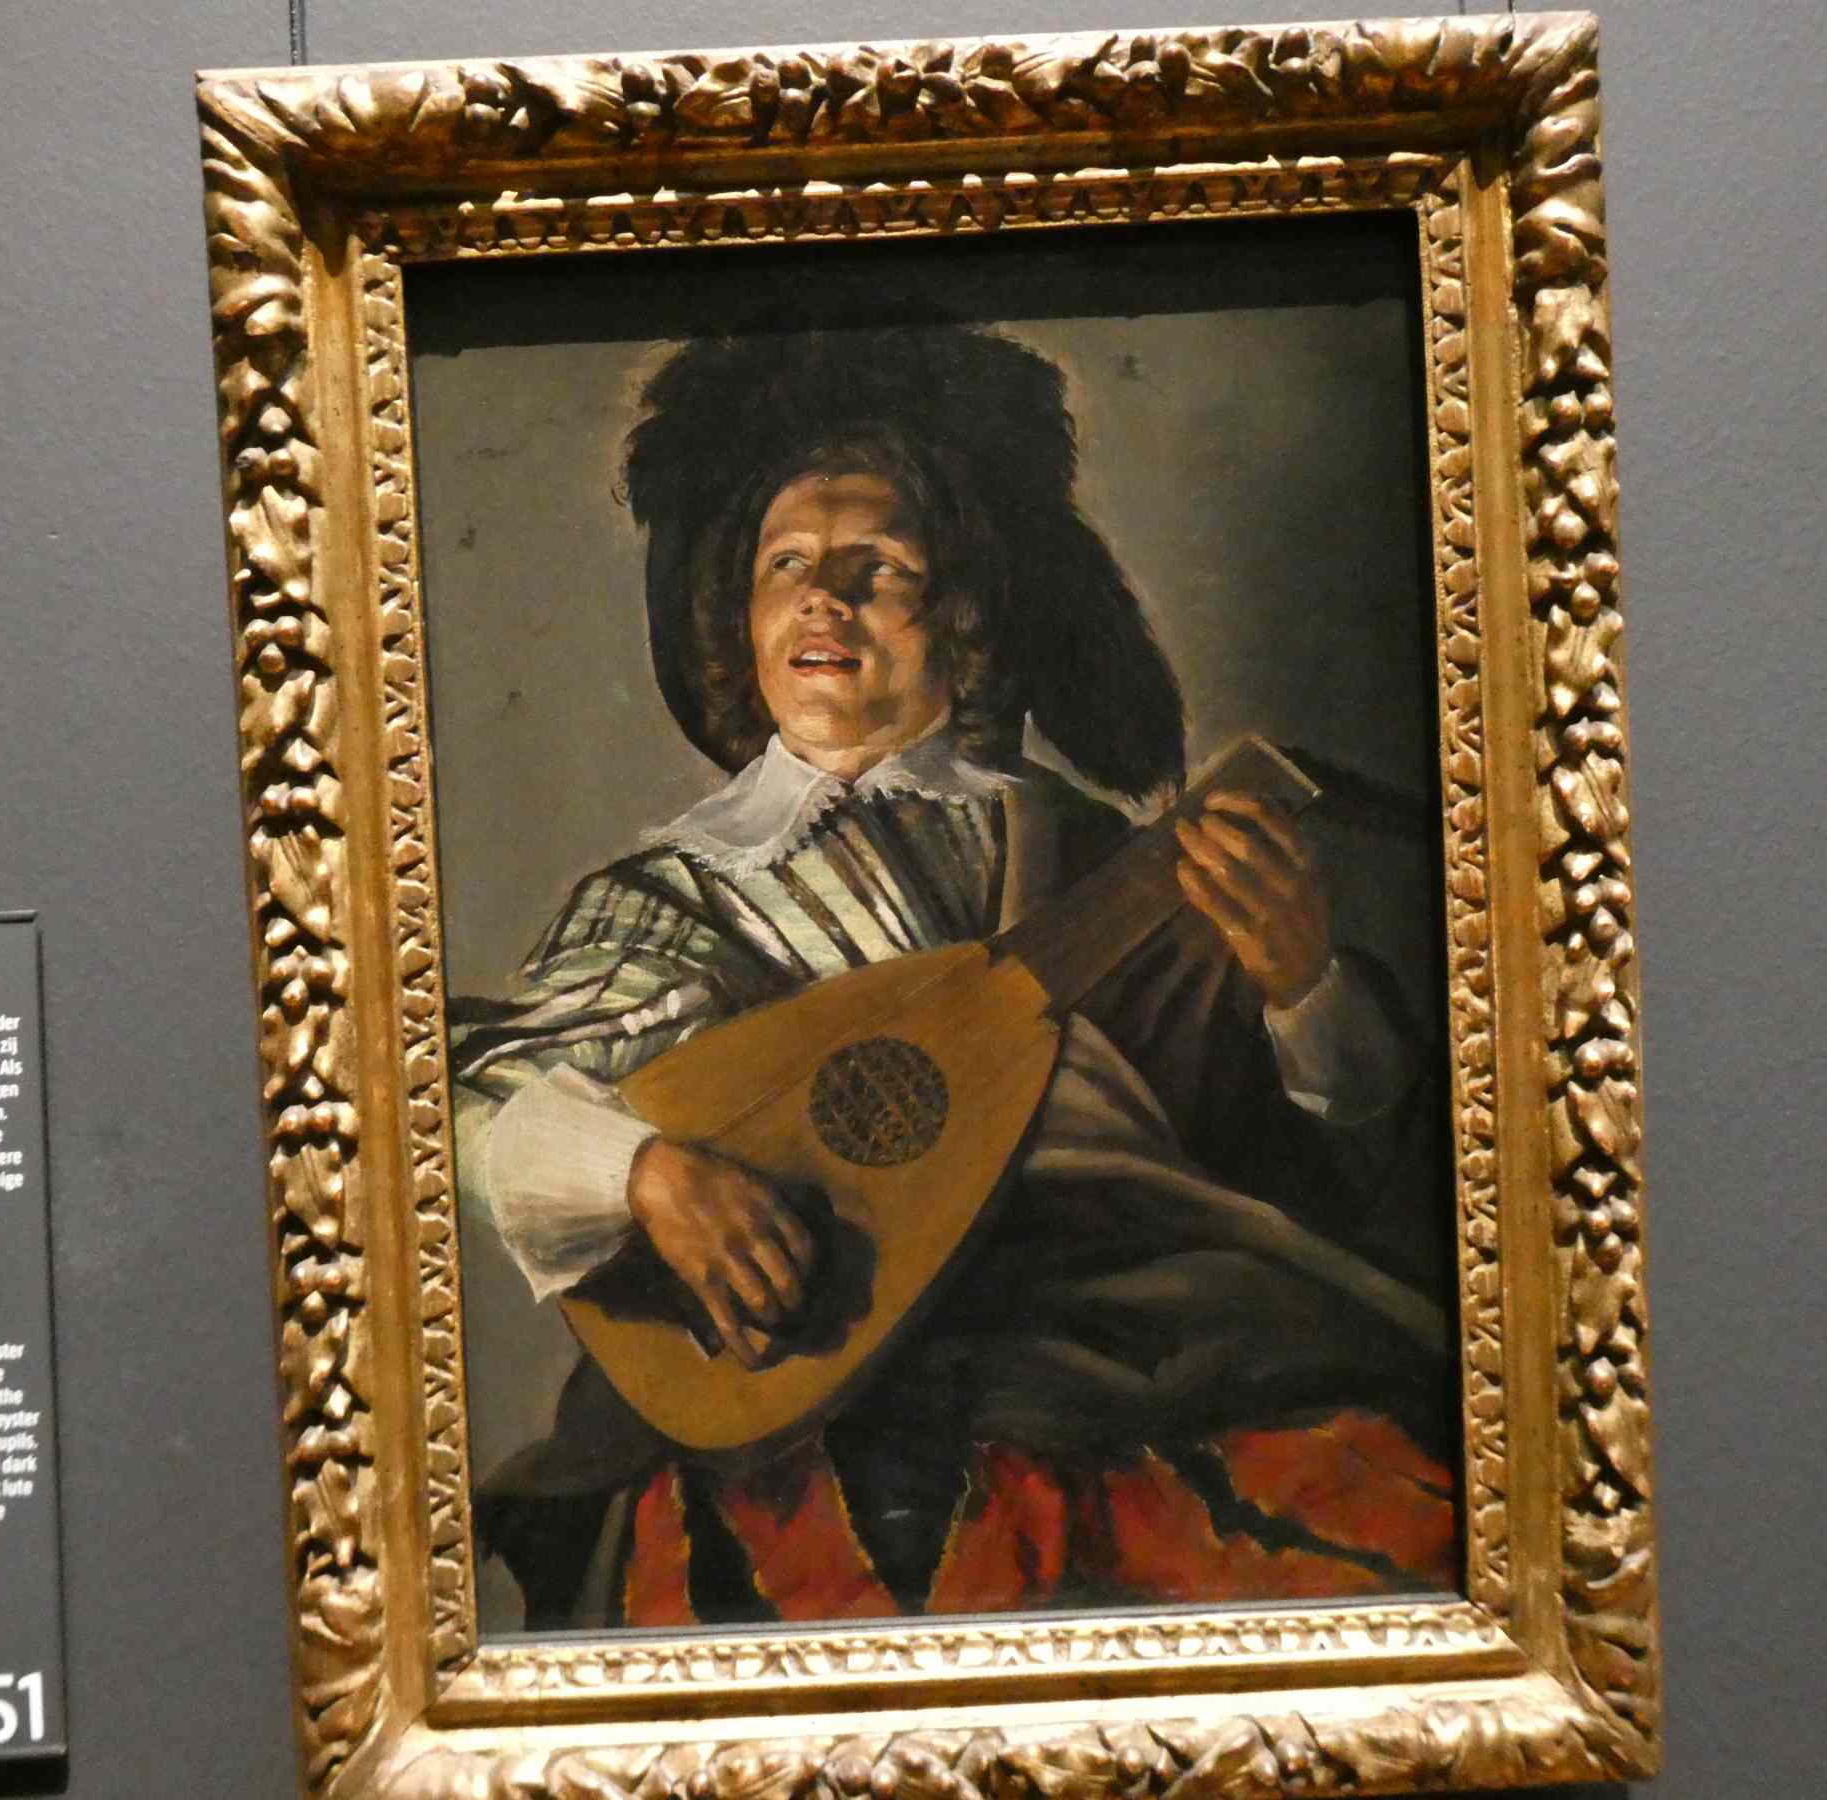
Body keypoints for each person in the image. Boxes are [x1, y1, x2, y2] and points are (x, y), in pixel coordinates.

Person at [449, 327, 1456, 1630]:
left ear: (967, 621)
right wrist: (644, 1174)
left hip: (1149, 1369)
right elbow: (471, 1103)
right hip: (807, 1397)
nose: (824, 600)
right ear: (736, 621)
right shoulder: (681, 891)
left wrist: (1304, 987)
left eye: (879, 570)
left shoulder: (1110, 867)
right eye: (787, 567)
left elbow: (1316, 1164)